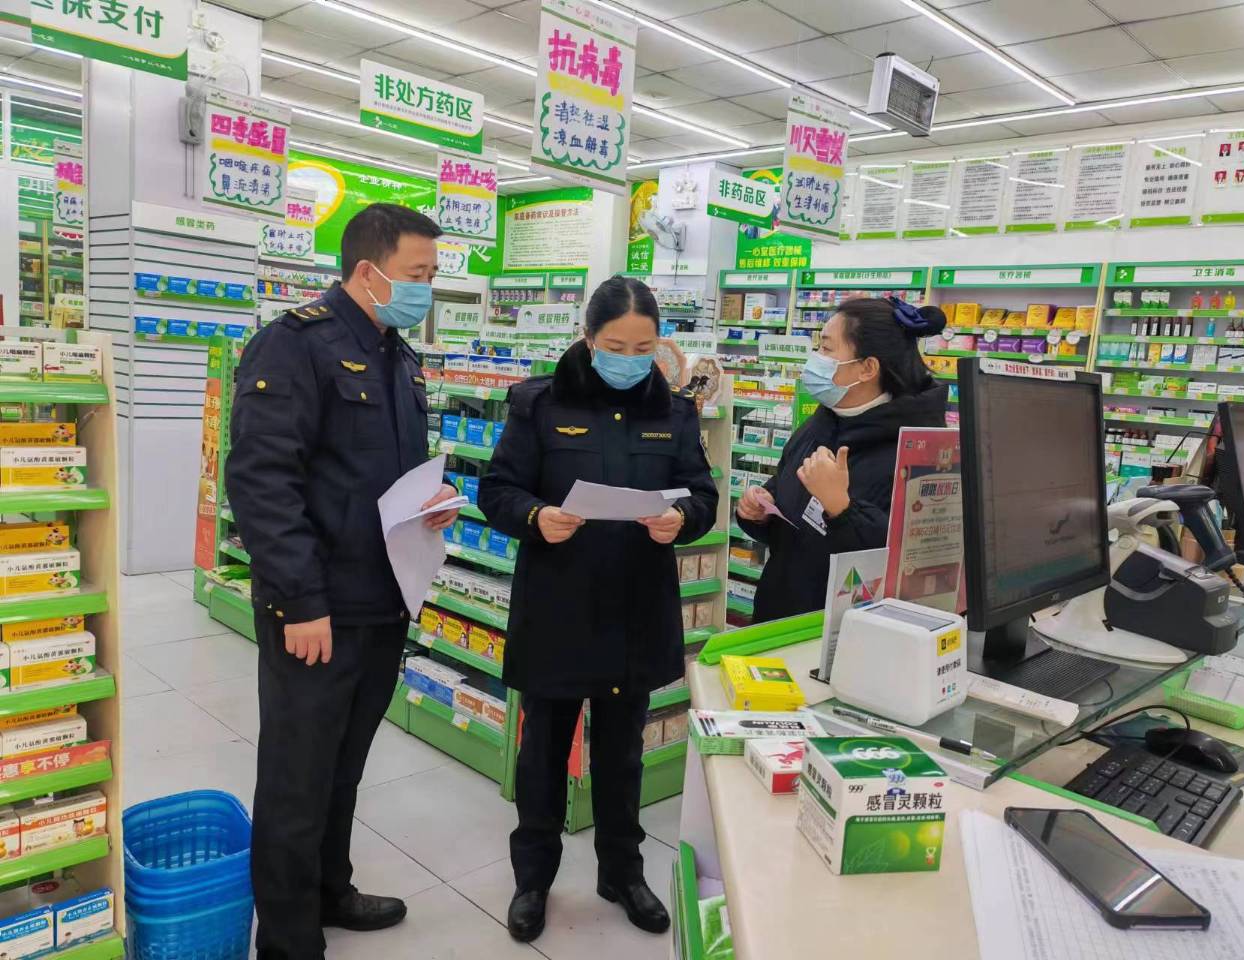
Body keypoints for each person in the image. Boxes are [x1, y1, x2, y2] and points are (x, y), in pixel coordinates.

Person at [226, 203, 461, 960]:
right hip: (316, 608)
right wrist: (299, 599)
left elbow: (383, 476)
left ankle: (331, 890)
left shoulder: (398, 355)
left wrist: (431, 504)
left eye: (432, 274)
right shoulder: (294, 345)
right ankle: (289, 940)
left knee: (343, 767)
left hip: (382, 598)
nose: (427, 288)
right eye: (418, 273)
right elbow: (262, 482)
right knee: (297, 778)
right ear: (368, 271)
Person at [479, 276, 718, 943]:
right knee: (542, 754)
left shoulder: (675, 412)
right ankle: (533, 879)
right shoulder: (539, 404)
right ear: (588, 339)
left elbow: (703, 496)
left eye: (644, 348)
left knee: (622, 756)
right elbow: (497, 490)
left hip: (634, 610)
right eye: (616, 346)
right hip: (558, 608)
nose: (630, 359)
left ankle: (622, 872)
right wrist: (536, 516)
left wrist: (683, 519)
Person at [736, 297, 948, 622]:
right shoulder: (823, 421)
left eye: (826, 348)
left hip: (846, 633)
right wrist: (759, 510)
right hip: (781, 618)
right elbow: (787, 498)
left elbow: (908, 563)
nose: (815, 359)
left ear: (867, 368)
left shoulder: (918, 450)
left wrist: (842, 509)